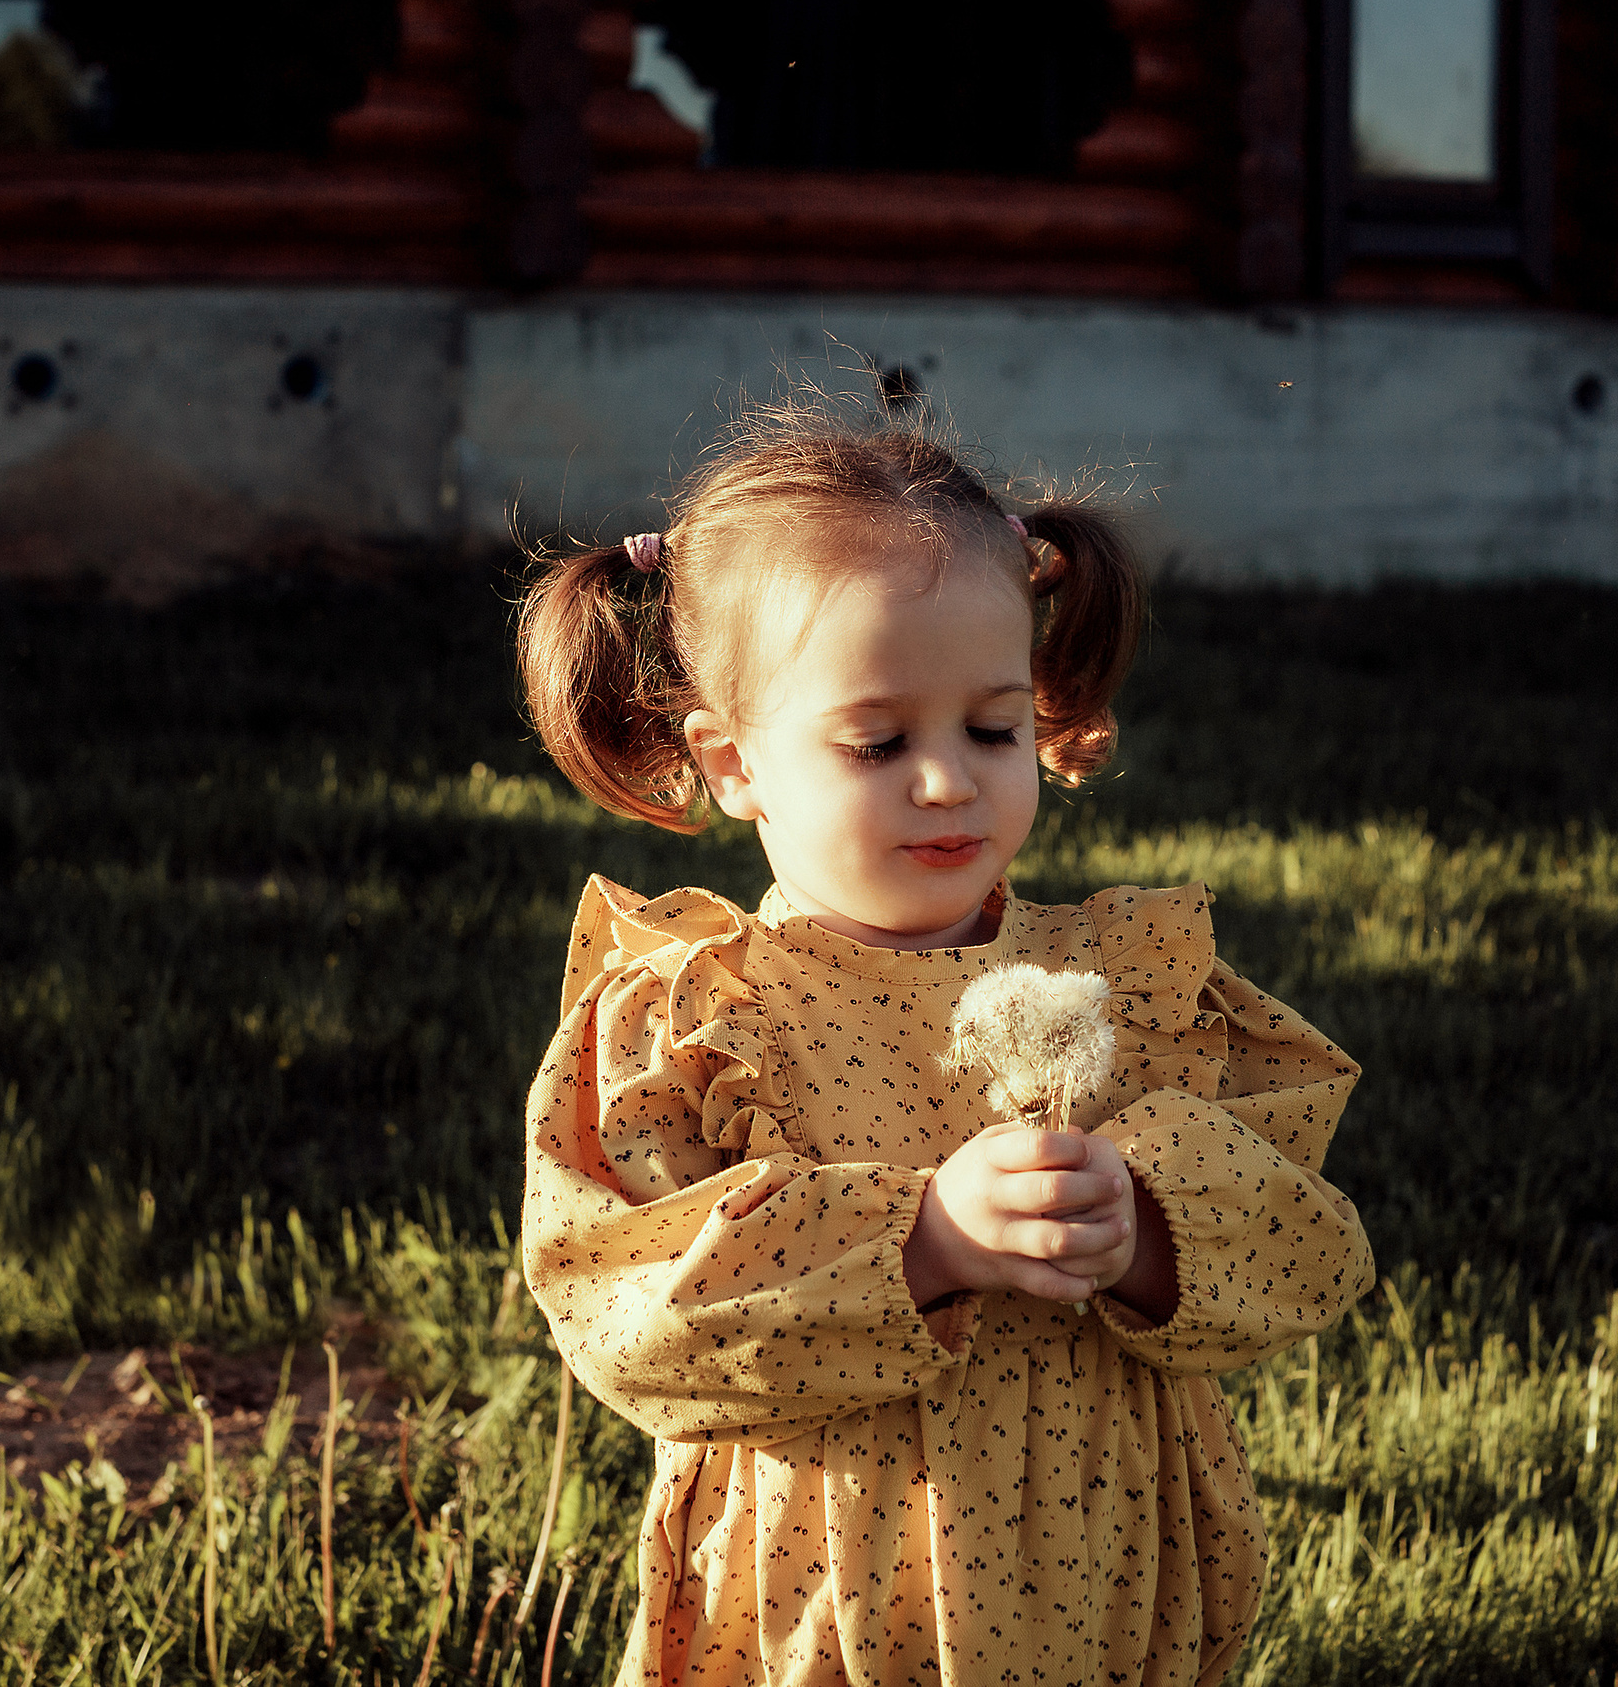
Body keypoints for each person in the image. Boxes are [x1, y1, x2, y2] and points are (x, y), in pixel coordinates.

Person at [514, 403, 1375, 1686]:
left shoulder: (1129, 987)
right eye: (878, 742)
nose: (947, 781)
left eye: (991, 728)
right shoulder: (697, 1021)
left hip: (1097, 1567)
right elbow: (627, 1313)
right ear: (732, 763)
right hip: (831, 1592)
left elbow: (1307, 1252)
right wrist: (922, 1242)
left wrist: (1144, 1231)